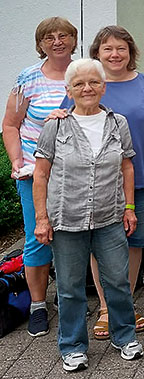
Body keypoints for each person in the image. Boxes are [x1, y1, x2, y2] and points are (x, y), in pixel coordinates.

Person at [54, 26, 144, 340]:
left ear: (130, 52)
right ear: (97, 53)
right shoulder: (89, 83)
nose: (115, 54)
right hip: (97, 183)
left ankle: (126, 303)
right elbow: (69, 119)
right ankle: (106, 307)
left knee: (133, 243)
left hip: (143, 175)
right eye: (108, 49)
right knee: (99, 245)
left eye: (121, 48)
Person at [32, 58, 144, 372]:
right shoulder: (55, 124)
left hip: (109, 217)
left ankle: (124, 337)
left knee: (118, 281)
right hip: (66, 219)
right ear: (69, 90)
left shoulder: (117, 122)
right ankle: (73, 346)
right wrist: (42, 218)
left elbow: (127, 166)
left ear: (103, 87)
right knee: (69, 287)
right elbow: (40, 175)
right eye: (79, 84)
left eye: (94, 82)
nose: (87, 88)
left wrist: (130, 207)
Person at [2, 17, 77, 337]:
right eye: (49, 37)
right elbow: (10, 124)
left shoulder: (85, 72)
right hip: (36, 173)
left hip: (77, 172)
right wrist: (17, 160)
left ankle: (67, 297)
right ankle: (37, 305)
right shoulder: (27, 79)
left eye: (63, 36)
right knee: (37, 238)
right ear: (40, 44)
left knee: (73, 237)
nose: (57, 42)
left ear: (74, 40)